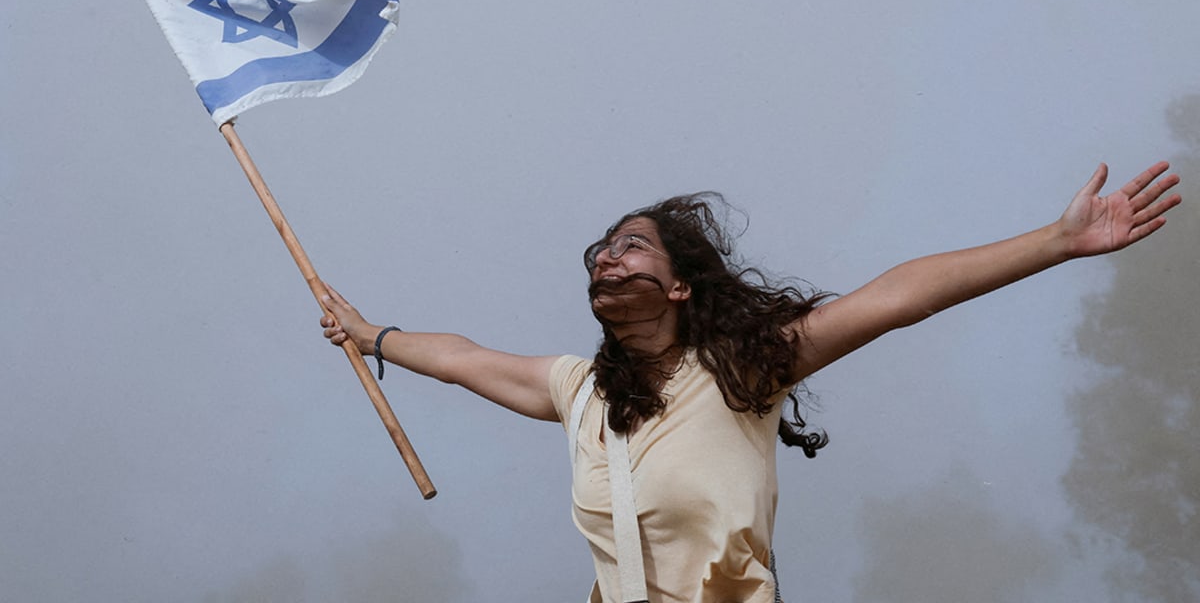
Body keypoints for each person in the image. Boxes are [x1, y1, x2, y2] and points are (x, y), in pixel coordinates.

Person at [320, 161, 1181, 603]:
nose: (606, 257)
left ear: (681, 283)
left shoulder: (741, 368)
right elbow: (466, 358)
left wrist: (1055, 242)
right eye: (599, 253)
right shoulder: (575, 389)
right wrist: (372, 335)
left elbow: (896, 297)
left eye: (630, 245)